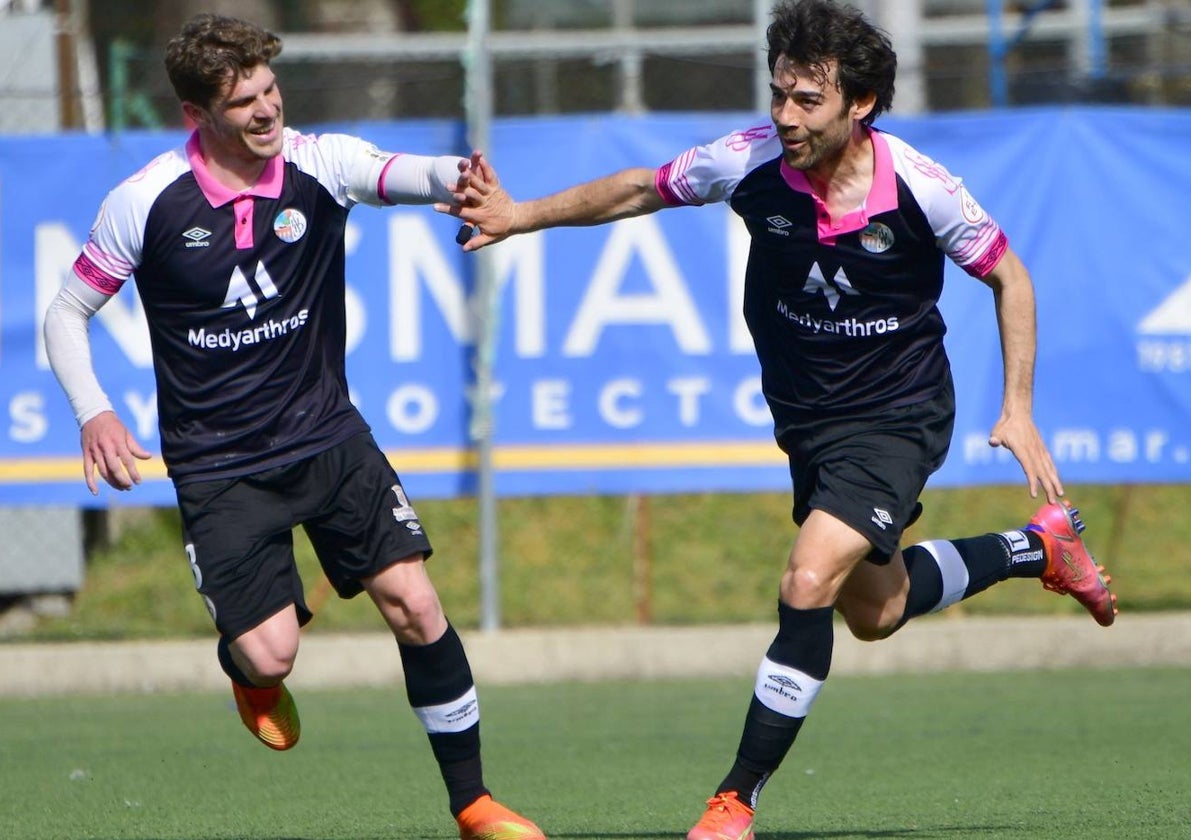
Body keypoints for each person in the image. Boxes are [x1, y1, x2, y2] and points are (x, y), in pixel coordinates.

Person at [439, 2, 1117, 838]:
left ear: (859, 104)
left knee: (806, 580)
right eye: (779, 96)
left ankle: (735, 799)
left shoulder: (921, 186)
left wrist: (1017, 408)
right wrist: (519, 215)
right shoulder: (750, 161)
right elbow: (636, 189)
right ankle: (1037, 545)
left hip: (899, 413)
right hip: (809, 422)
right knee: (875, 609)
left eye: (807, 102)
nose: (785, 117)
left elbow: (1011, 278)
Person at [43, 14, 544, 840]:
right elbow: (68, 312)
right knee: (271, 653)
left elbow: (413, 172)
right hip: (219, 467)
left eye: (271, 90)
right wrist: (94, 410)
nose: (268, 111)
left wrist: (468, 179)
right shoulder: (143, 202)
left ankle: (474, 805)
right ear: (196, 114)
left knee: (416, 603)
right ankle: (246, 670)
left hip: (329, 439)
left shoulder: (321, 163)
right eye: (244, 102)